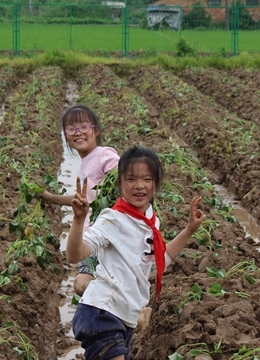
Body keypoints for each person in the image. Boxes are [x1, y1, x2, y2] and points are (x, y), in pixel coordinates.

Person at [67, 146, 206, 360]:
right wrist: (78, 221)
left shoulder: (150, 221)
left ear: (156, 184)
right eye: (131, 179)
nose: (139, 186)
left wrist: (189, 230)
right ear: (120, 182)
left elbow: (160, 262)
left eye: (147, 179)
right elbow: (76, 255)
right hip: (102, 313)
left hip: (124, 317)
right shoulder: (112, 219)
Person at [38, 104, 119, 296]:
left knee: (82, 284)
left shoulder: (104, 155)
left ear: (95, 130)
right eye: (71, 129)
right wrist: (52, 198)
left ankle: (130, 307)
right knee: (84, 284)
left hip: (106, 236)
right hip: (93, 234)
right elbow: (85, 199)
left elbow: (121, 175)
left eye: (84, 127)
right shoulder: (85, 163)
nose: (78, 133)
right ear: (65, 135)